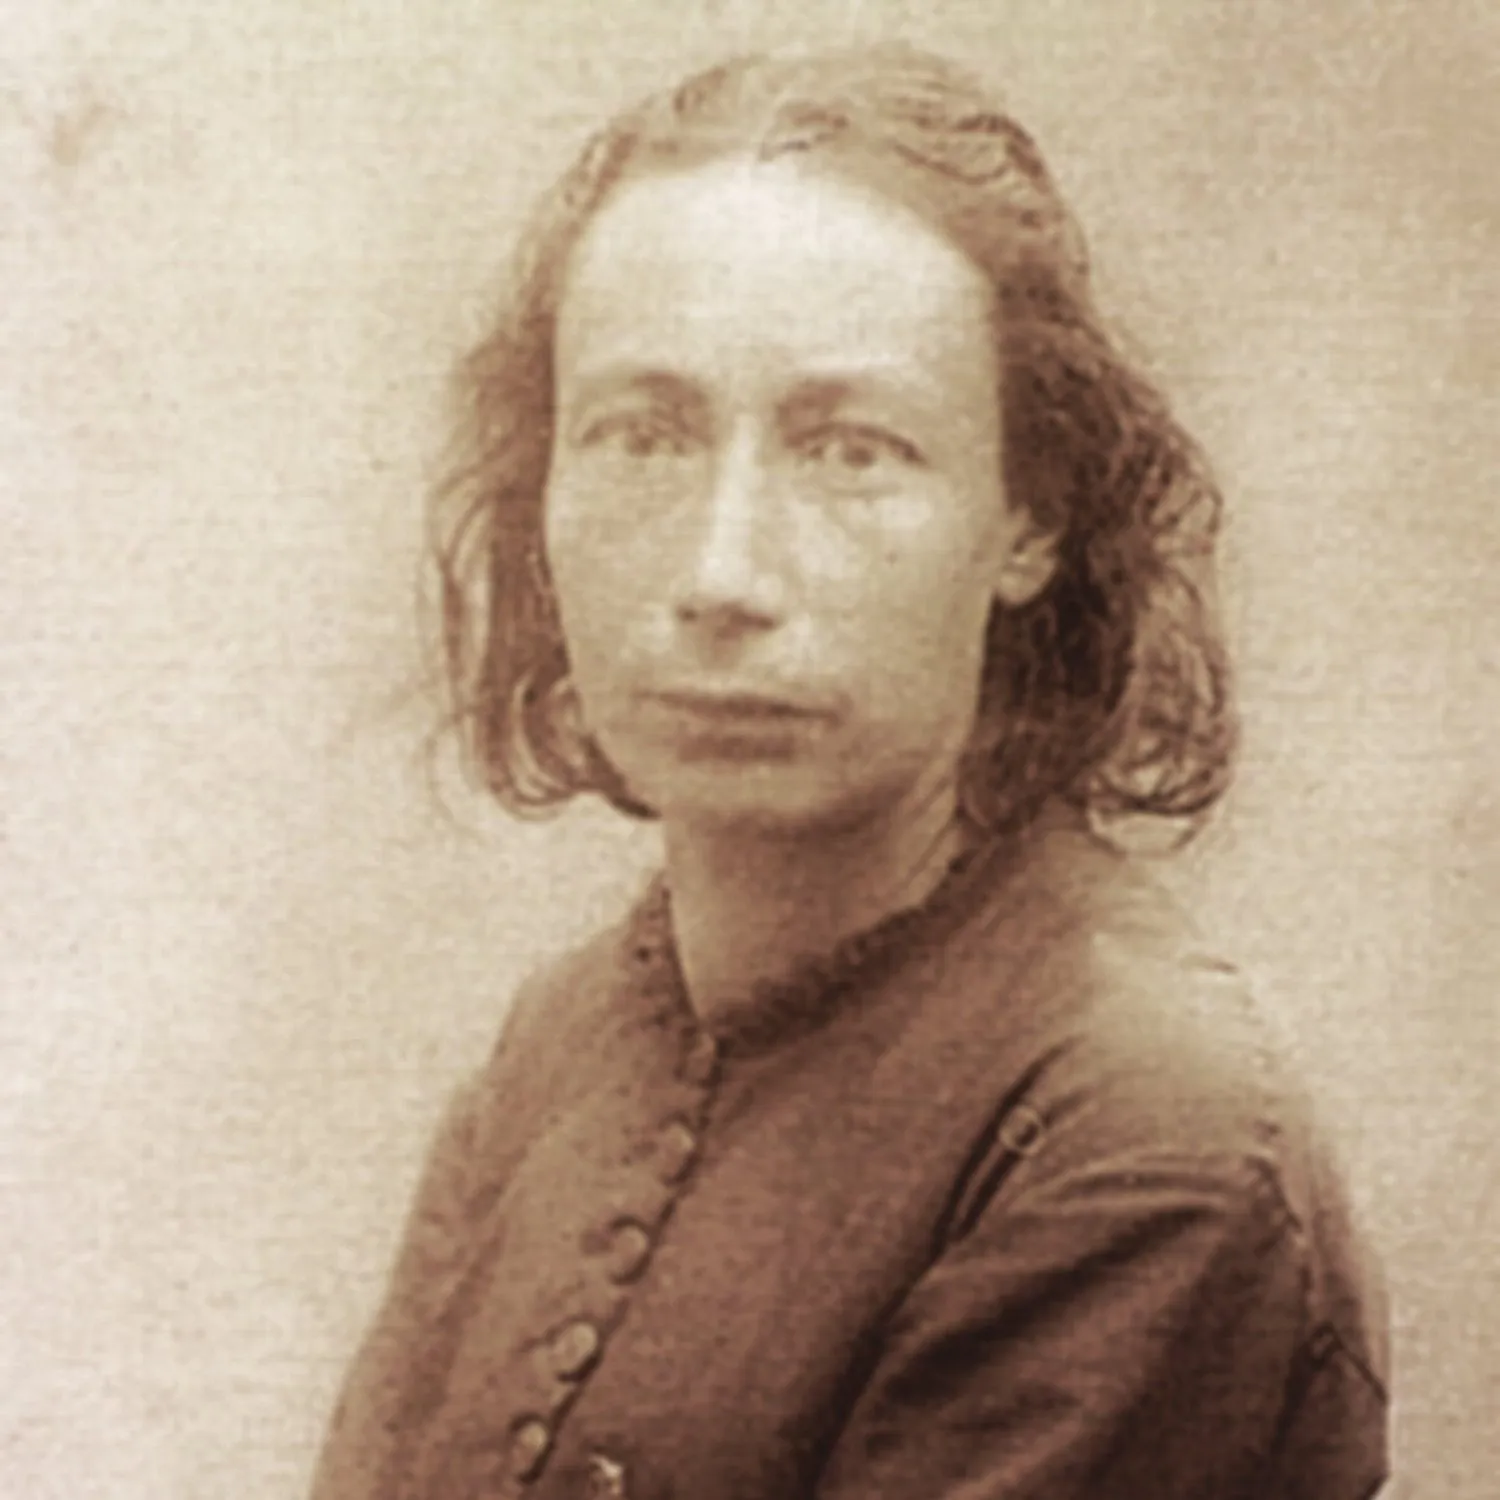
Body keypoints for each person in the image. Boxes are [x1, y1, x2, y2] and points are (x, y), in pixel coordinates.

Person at [310, 44, 1389, 1500]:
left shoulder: (1146, 1137)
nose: (722, 573)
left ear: (1028, 517)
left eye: (852, 452)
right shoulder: (562, 1042)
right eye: (642, 436)